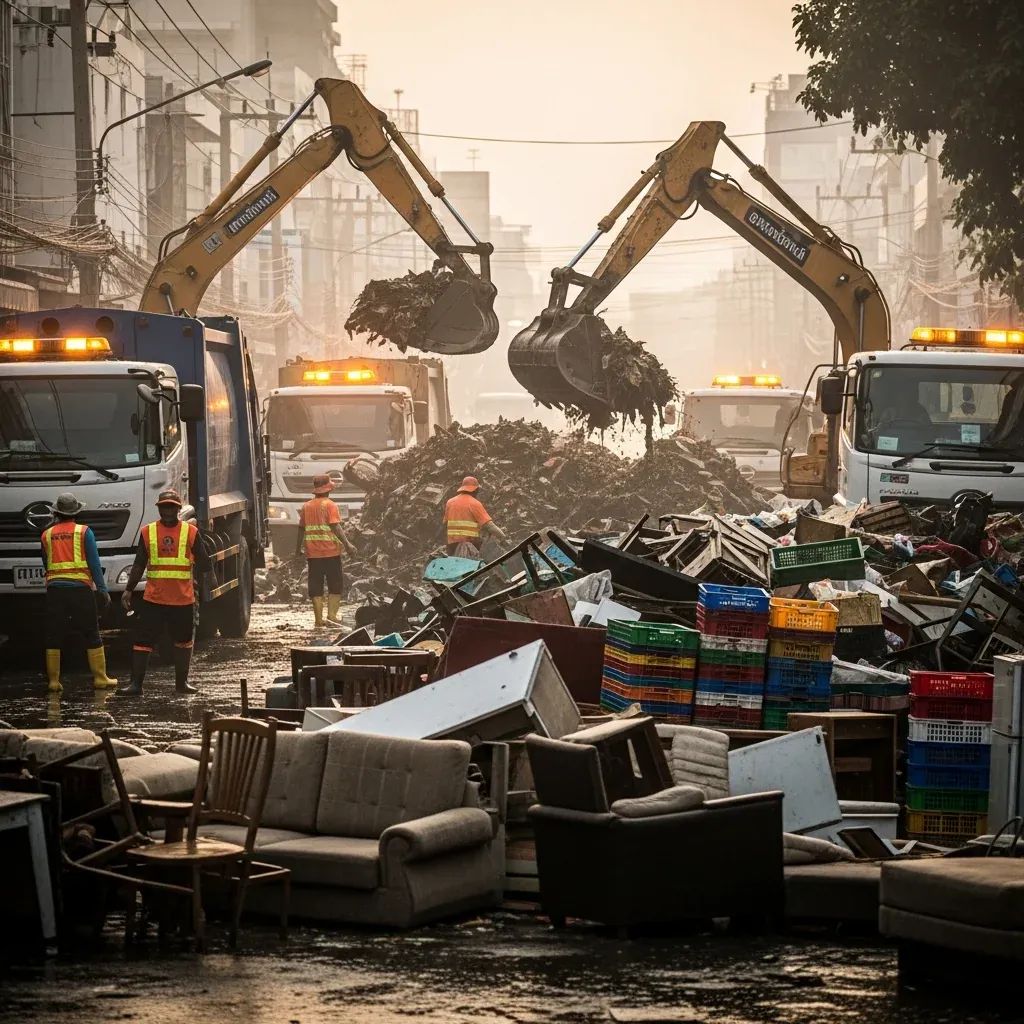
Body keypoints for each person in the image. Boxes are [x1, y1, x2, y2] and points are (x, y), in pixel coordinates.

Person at [118, 489, 210, 696]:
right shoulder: (147, 532)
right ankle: (136, 685)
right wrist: (128, 590)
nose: (168, 510)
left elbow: (205, 563)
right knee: (143, 641)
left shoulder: (191, 532)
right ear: (159, 508)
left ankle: (181, 684)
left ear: (178, 509)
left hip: (182, 600)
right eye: (164, 507)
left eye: (172, 507)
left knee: (184, 641)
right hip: (154, 599)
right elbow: (139, 563)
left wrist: (202, 589)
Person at [40, 492, 117, 692]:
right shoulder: (84, 532)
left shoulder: (46, 535)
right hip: (81, 591)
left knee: (53, 634)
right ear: (76, 512)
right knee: (92, 631)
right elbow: (94, 562)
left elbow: (46, 563)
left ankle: (54, 682)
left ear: (56, 512)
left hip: (56, 590)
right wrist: (102, 589)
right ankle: (100, 678)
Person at [295, 474, 356, 627]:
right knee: (335, 584)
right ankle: (332, 616)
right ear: (329, 489)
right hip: (331, 552)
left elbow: (301, 530)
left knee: (315, 585)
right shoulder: (330, 505)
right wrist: (348, 544)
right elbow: (336, 527)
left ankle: (318, 620)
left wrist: (297, 549)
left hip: (313, 554)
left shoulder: (306, 506)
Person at [442, 475, 507, 557]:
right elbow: (489, 526)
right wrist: (502, 537)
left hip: (451, 546)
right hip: (469, 546)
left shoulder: (450, 502)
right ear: (475, 490)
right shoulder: (474, 503)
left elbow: (445, 524)